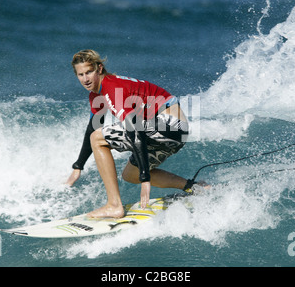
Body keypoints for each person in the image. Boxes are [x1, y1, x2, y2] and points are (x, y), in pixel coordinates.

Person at [66, 49, 202, 218]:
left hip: (170, 125)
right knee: (130, 175)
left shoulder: (112, 89)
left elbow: (134, 129)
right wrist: (78, 166)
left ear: (99, 68)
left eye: (89, 72)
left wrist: (145, 178)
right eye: (80, 74)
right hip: (172, 132)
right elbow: (92, 127)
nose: (85, 79)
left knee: (98, 139)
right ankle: (194, 187)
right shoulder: (97, 94)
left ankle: (114, 205)